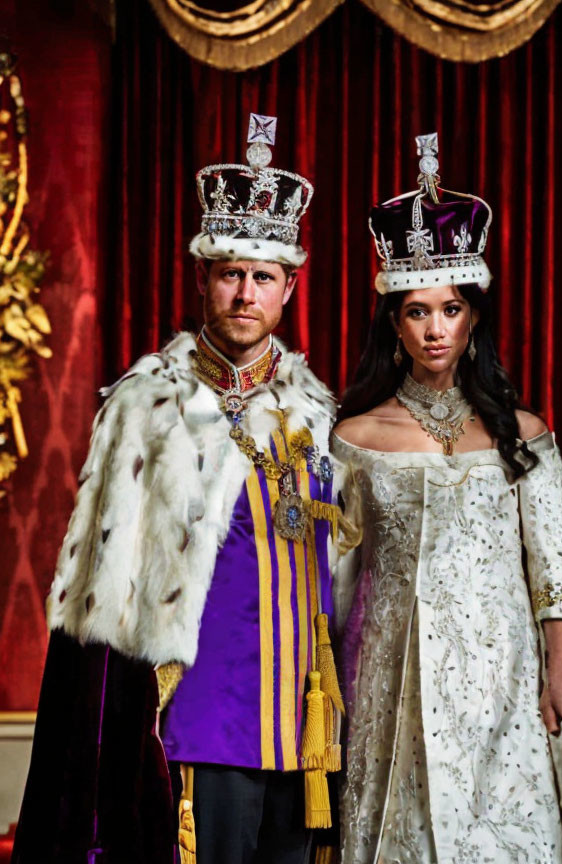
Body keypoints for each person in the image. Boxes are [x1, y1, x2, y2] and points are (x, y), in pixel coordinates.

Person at [12, 114, 348, 864]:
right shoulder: (147, 404)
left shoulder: (319, 415)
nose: (244, 293)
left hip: (305, 732)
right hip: (198, 726)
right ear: (201, 276)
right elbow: (99, 606)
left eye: (263, 277)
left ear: (290, 287)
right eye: (229, 272)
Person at [332, 134, 562, 864]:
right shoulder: (356, 438)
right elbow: (333, 583)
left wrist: (561, 672)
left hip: (508, 680)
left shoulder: (520, 433)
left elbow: (552, 566)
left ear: (473, 318)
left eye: (450, 309)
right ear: (394, 323)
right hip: (394, 680)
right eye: (417, 311)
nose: (434, 328)